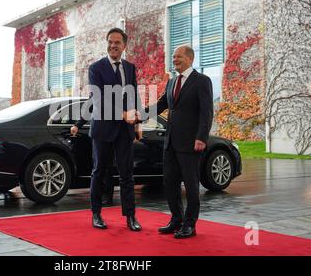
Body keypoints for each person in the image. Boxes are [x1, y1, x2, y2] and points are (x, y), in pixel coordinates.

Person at [145, 45, 213, 239]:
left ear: (190, 59)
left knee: (191, 185)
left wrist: (201, 137)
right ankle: (177, 220)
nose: (174, 60)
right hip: (170, 143)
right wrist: (139, 115)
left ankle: (190, 225)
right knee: (170, 183)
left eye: (178, 57)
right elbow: (161, 104)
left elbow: (206, 112)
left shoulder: (202, 81)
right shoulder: (172, 82)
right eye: (173, 57)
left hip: (191, 143)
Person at [87, 27, 142, 231]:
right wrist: (122, 114)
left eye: (117, 42)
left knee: (127, 173)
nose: (113, 45)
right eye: (110, 41)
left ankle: (130, 217)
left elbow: (134, 95)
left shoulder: (130, 67)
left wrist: (137, 122)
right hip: (103, 128)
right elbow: (99, 99)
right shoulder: (96, 68)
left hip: (125, 130)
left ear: (124, 45)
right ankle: (96, 214)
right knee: (99, 171)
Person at [70, 106, 115, 206]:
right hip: (101, 132)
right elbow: (89, 108)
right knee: (100, 167)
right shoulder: (97, 90)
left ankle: (108, 197)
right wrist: (78, 124)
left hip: (115, 134)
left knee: (108, 167)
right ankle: (99, 199)